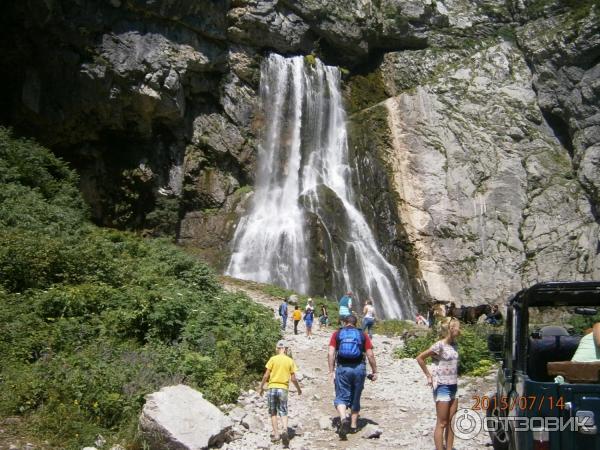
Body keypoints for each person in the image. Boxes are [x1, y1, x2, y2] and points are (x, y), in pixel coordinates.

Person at [328, 315, 377, 440]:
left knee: (341, 396)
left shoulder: (337, 334)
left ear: (345, 323)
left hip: (343, 368)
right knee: (356, 395)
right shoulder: (362, 335)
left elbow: (331, 353)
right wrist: (375, 371)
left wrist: (331, 370)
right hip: (359, 368)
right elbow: (370, 355)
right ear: (356, 323)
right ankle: (354, 425)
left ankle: (344, 418)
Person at [416, 318, 460, 450]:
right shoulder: (439, 345)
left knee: (451, 422)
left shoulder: (454, 345)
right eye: (457, 327)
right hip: (442, 386)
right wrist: (429, 376)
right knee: (442, 423)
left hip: (454, 386)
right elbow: (420, 358)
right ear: (450, 329)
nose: (460, 329)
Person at [259, 340, 302, 447]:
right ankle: (285, 430)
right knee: (283, 410)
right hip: (283, 388)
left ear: (277, 349)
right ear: (286, 349)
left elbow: (266, 375)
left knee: (273, 412)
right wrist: (298, 389)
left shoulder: (272, 359)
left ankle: (277, 435)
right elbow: (293, 378)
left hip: (272, 388)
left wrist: (261, 387)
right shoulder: (289, 360)